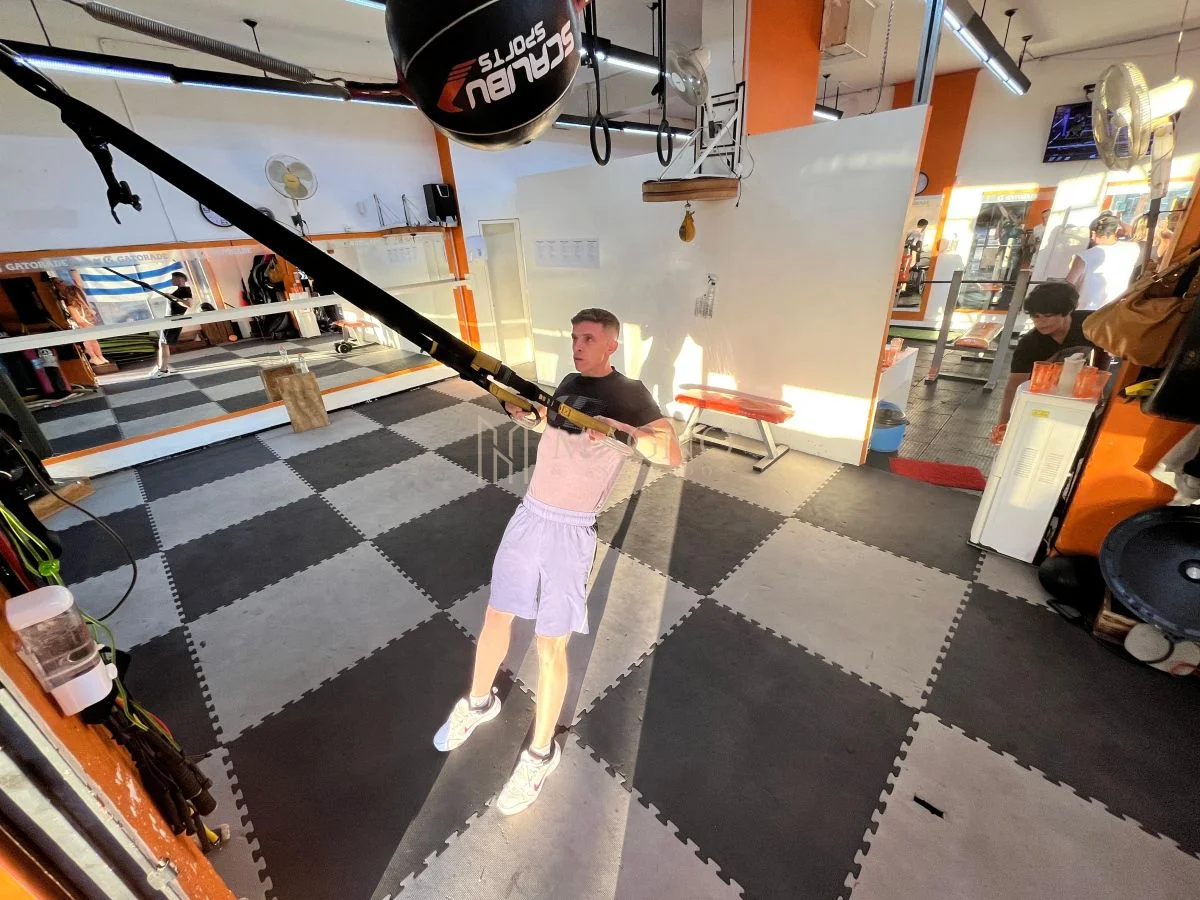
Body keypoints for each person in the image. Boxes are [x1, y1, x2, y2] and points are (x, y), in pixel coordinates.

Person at [432, 308, 681, 816]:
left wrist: (624, 432)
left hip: (571, 531)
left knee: (551, 644)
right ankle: (479, 702)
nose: (577, 346)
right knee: (496, 614)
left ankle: (540, 754)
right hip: (529, 516)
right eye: (574, 338)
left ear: (611, 344)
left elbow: (671, 452)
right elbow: (550, 422)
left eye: (588, 338)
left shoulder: (631, 394)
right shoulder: (568, 382)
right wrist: (525, 414)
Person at [991, 282, 1106, 443]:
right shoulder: (1030, 344)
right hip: (1048, 393)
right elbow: (1014, 385)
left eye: (1048, 316)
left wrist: (1099, 383)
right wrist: (1003, 424)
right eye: (1036, 316)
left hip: (1087, 389)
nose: (1041, 322)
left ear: (1067, 311)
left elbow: (1111, 348)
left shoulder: (1092, 324)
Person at [1066, 213, 1141, 311]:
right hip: (1115, 309)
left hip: (1086, 310)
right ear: (1115, 231)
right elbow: (1134, 233)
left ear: (1093, 234)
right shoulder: (1133, 249)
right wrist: (1118, 221)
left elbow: (1069, 284)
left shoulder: (1084, 256)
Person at [151, 270, 192, 377]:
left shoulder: (185, 290)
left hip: (174, 320)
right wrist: (171, 297)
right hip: (169, 320)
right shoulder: (178, 290)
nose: (171, 280)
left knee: (164, 344)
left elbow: (189, 304)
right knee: (162, 343)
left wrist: (173, 297)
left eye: (173, 278)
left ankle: (163, 370)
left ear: (180, 279)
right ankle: (161, 366)